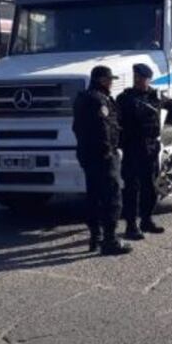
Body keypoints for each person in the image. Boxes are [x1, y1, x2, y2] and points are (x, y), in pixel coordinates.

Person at [116, 63, 172, 240]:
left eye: (141, 78)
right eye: (136, 77)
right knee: (132, 188)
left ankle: (147, 220)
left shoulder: (155, 96)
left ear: (148, 79)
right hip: (133, 146)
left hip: (150, 147)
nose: (138, 81)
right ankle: (131, 226)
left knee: (150, 186)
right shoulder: (125, 98)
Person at [72, 65, 131, 256]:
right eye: (109, 79)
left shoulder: (82, 98)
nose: (112, 83)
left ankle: (95, 238)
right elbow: (104, 129)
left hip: (87, 155)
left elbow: (76, 128)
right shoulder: (99, 101)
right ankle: (110, 240)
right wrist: (109, 152)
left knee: (93, 197)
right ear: (102, 80)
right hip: (103, 156)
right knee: (112, 198)